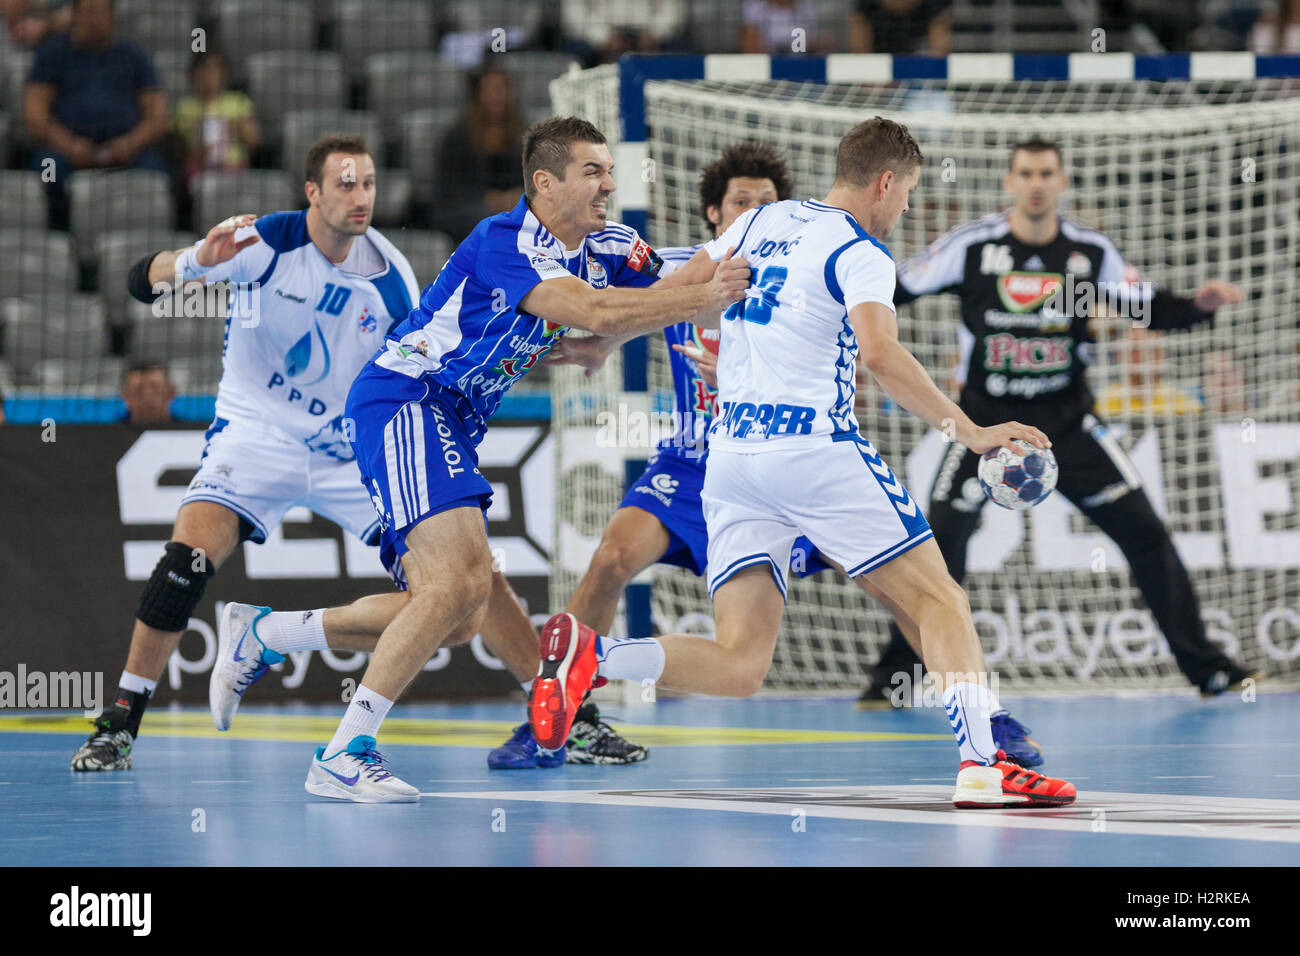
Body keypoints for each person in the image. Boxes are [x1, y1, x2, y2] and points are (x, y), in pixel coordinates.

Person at [527, 117, 1078, 809]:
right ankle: (983, 764)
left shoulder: (763, 221)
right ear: (884, 183)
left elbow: (686, 290)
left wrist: (608, 340)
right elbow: (879, 355)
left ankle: (593, 658)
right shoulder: (862, 249)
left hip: (732, 460)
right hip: (813, 450)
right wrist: (968, 430)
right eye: (906, 192)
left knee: (741, 662)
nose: (906, 207)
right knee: (941, 600)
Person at [283, 116, 746, 803]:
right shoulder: (505, 241)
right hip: (407, 399)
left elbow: (679, 274)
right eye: (593, 172)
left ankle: (267, 635)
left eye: (611, 171)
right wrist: (698, 302)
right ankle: (345, 751)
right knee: (454, 587)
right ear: (545, 183)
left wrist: (756, 240)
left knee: (466, 602)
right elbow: (598, 309)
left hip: (453, 423)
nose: (610, 185)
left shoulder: (609, 242)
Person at [859, 137, 1253, 707]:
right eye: (1026, 172)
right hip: (985, 427)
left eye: (1046, 172)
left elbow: (1143, 305)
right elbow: (896, 289)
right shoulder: (974, 247)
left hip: (1068, 423)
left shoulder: (1088, 254)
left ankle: (1210, 670)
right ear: (1010, 182)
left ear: (1061, 182)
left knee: (1146, 534)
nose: (1036, 182)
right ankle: (893, 681)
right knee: (939, 544)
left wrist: (1199, 307)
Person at [69, 135, 421, 771]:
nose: (360, 197)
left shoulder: (391, 281)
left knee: (452, 597)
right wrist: (192, 261)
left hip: (347, 452)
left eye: (368, 183)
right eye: (345, 184)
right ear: (312, 192)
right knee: (185, 563)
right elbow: (141, 283)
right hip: (256, 434)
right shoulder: (262, 244)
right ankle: (119, 724)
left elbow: (420, 369)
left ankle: (269, 634)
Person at [23, 0, 168, 228]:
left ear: (112, 17)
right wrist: (70, 145)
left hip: (127, 152)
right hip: (65, 151)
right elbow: (35, 115)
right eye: (88, 11)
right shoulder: (52, 54)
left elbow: (157, 117)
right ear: (75, 15)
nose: (94, 19)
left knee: (156, 173)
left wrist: (130, 144)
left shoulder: (134, 56)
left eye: (100, 12)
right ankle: (60, 237)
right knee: (46, 170)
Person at [433, 64, 525, 243]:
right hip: (467, 211)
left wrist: (517, 196)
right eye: (490, 89)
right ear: (477, 95)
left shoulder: (524, 137)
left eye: (502, 89)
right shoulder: (457, 137)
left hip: (514, 208)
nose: (497, 96)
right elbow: (447, 190)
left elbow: (535, 183)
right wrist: (487, 199)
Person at [172, 49, 260, 187]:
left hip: (234, 166)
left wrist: (237, 128)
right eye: (204, 69)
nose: (209, 75)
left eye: (215, 69)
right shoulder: (184, 107)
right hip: (198, 167)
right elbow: (178, 148)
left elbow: (254, 141)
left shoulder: (238, 101)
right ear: (192, 74)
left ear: (225, 74)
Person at [849, 0, 952, 55]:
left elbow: (939, 51)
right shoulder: (866, 6)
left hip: (918, 76)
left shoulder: (935, 6)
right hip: (876, 77)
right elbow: (860, 53)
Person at [120, 358, 176, 424]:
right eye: (138, 390)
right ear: (126, 395)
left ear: (171, 392)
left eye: (155, 388)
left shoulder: (187, 432)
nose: (147, 396)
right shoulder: (109, 432)